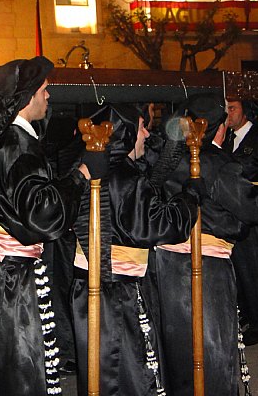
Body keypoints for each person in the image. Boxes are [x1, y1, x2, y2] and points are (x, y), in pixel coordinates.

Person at [0, 56, 93, 396]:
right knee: (17, 368)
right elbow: (41, 214)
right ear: (26, 98)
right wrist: (80, 178)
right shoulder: (16, 145)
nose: (48, 97)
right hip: (7, 279)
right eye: (44, 90)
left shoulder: (1, 139)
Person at [154, 93, 258, 395]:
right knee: (211, 346)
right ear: (219, 128)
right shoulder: (215, 163)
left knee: (177, 345)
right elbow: (256, 207)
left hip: (166, 267)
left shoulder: (167, 159)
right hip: (206, 267)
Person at [70, 104, 198, 396]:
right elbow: (155, 226)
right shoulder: (125, 178)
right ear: (126, 134)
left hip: (88, 289)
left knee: (101, 373)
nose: (145, 133)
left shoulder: (98, 167)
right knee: (128, 374)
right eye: (141, 127)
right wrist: (189, 200)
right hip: (118, 294)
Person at [222, 98, 258, 346]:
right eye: (226, 109)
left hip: (255, 210)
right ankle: (244, 313)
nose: (228, 113)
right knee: (238, 266)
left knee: (256, 268)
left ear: (246, 112)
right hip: (234, 211)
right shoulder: (227, 139)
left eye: (232, 108)